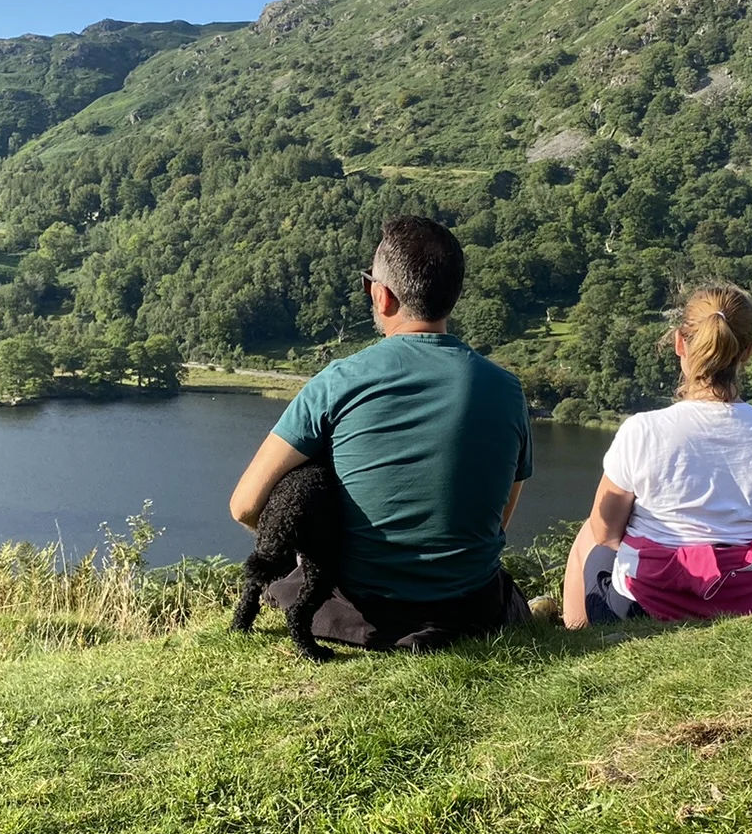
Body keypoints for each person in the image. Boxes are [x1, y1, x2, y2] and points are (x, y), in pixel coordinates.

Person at [228, 215, 533, 651]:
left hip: (355, 613)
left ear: (381, 294)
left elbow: (245, 506)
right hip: (471, 611)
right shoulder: (507, 390)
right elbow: (499, 518)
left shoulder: (339, 381)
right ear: (452, 296)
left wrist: (317, 547)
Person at [561, 283, 752, 629]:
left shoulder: (643, 429)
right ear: (748, 351)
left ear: (680, 342)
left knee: (589, 532)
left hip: (646, 607)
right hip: (750, 605)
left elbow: (606, 532)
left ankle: (580, 641)